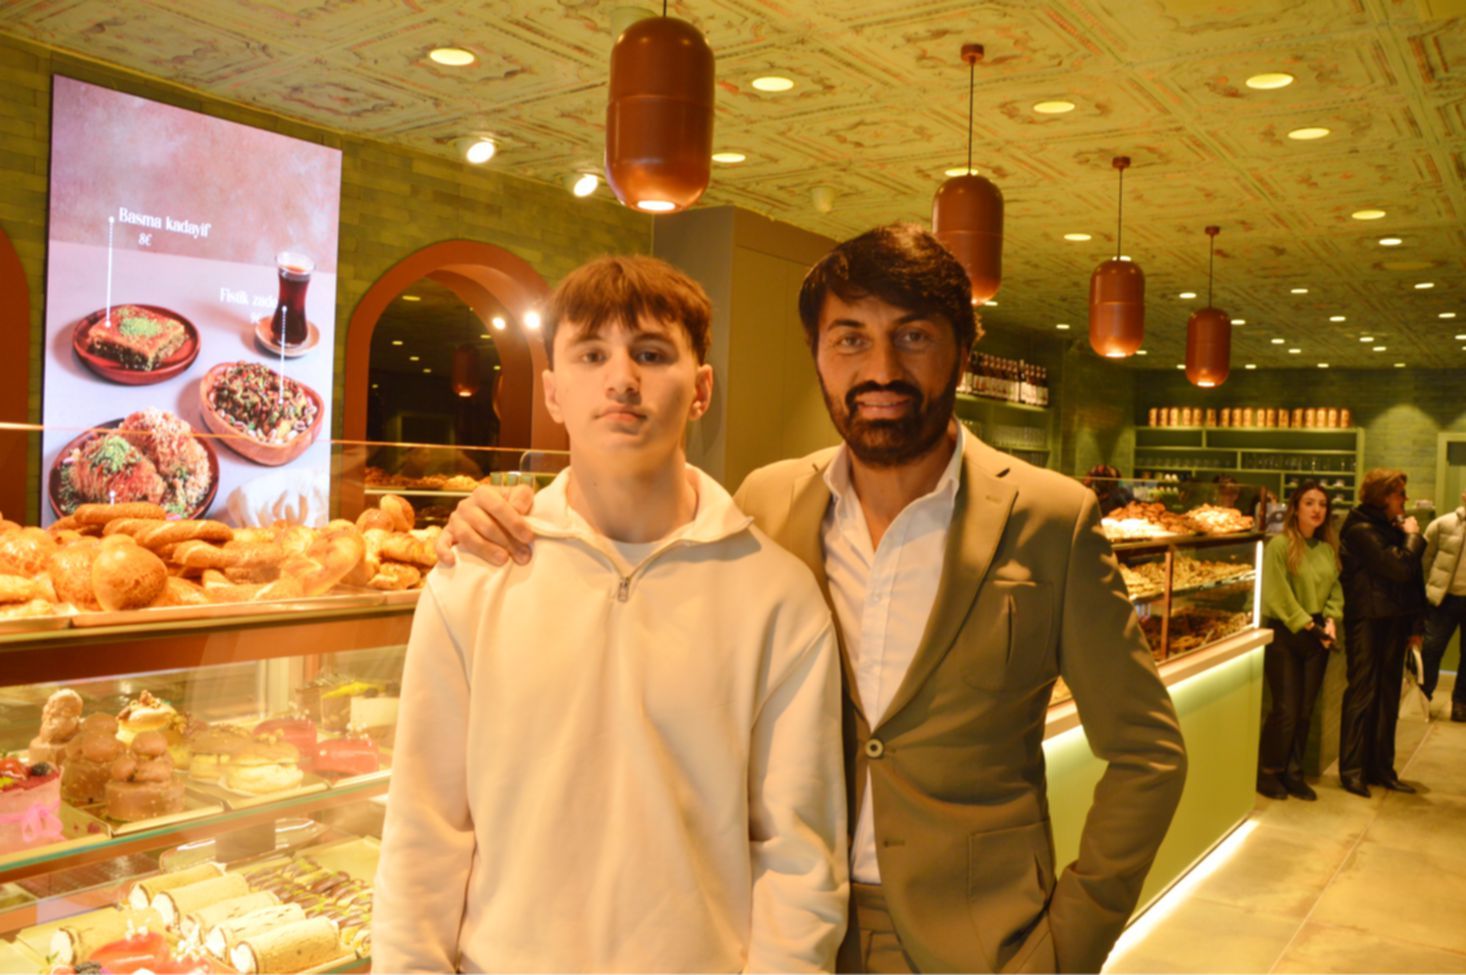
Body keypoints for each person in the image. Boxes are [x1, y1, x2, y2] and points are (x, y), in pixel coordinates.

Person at [439, 224, 1187, 974]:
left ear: (962, 351)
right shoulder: (767, 505)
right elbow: (639, 541)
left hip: (982, 940)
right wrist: (501, 512)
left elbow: (1148, 754)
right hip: (774, 927)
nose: (882, 369)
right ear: (818, 355)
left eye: (914, 337)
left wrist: (1067, 946)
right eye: (850, 340)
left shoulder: (1051, 519)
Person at [373, 256, 849, 972]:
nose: (622, 378)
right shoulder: (473, 578)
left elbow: (799, 861)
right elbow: (424, 832)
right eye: (592, 354)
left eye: (651, 354)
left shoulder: (777, 598)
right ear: (553, 391)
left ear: (701, 390)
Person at [1337, 468, 1427, 798]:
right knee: (1362, 693)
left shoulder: (1389, 527)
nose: (1405, 498)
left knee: (1388, 697)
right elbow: (1400, 567)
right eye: (1400, 493)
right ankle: (1352, 771)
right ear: (1383, 495)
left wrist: (1415, 626)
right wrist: (1414, 538)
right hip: (1367, 620)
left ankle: (1381, 769)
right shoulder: (1360, 529)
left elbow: (1412, 579)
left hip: (1393, 620)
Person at [1256, 481, 1343, 801]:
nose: (1317, 509)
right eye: (1309, 502)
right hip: (1287, 632)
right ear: (1295, 508)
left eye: (1322, 504)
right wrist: (1308, 624)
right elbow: (1276, 593)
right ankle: (1268, 772)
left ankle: (1293, 773)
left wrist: (1331, 620)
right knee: (1286, 710)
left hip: (1318, 634)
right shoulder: (1279, 546)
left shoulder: (1326, 549)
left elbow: (1335, 589)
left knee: (1305, 711)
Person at [1420, 489, 1466, 722]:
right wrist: (1429, 588)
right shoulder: (1443, 524)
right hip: (1443, 599)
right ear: (1464, 496)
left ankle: (1461, 703)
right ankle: (1422, 699)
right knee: (1431, 649)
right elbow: (1424, 559)